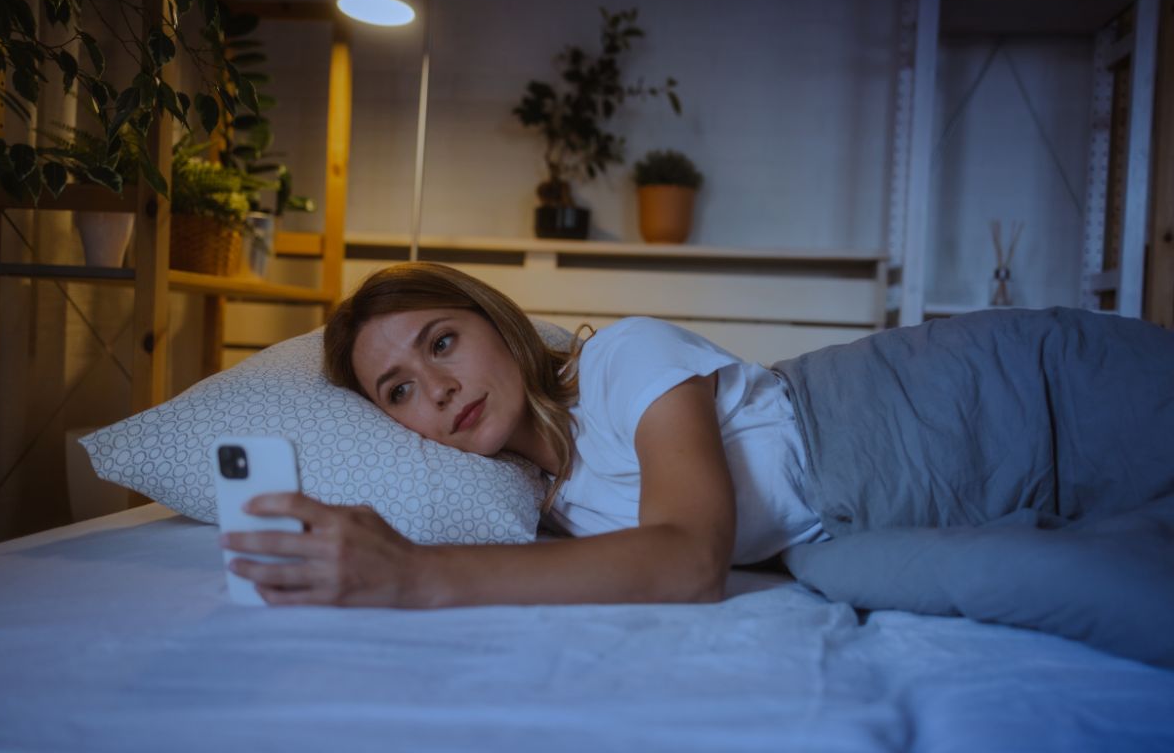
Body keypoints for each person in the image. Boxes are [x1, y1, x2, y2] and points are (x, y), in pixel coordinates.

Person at [218, 261, 1174, 612]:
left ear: (496, 322)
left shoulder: (623, 359)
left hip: (980, 395)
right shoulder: (538, 510)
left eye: (441, 342)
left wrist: (418, 579)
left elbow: (686, 560)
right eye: (398, 390)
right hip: (840, 539)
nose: (436, 388)